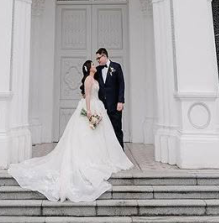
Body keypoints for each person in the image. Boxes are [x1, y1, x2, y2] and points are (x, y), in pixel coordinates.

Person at [9, 59, 132, 202]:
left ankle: (101, 158)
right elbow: (86, 97)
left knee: (100, 135)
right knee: (87, 135)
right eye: (92, 65)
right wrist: (89, 112)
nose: (95, 66)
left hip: (98, 106)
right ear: (88, 68)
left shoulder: (95, 79)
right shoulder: (88, 80)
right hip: (90, 107)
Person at [95, 47, 125, 149]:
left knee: (117, 129)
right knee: (102, 131)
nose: (98, 61)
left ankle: (120, 154)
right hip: (102, 106)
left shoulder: (116, 66)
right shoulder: (97, 70)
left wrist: (121, 101)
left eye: (99, 58)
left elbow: (121, 84)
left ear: (104, 55)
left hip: (115, 105)